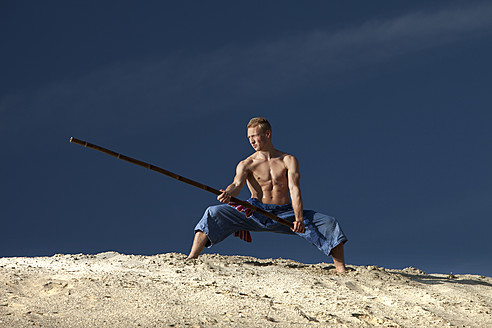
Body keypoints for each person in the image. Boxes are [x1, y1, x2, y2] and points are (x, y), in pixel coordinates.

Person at [187, 117, 348, 273]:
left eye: (255, 136)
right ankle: (192, 257)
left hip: (287, 214)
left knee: (328, 223)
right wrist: (228, 193)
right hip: (254, 212)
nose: (251, 141)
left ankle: (341, 269)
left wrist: (299, 219)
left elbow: (295, 190)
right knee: (213, 212)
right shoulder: (246, 163)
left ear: (267, 134)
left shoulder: (288, 160)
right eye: (249, 137)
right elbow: (236, 185)